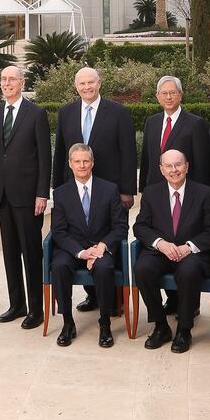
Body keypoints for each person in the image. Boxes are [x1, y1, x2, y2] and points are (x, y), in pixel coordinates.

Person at [52, 66, 137, 312]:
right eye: (82, 84)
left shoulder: (118, 112)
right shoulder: (66, 112)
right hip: (75, 189)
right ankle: (94, 295)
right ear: (75, 86)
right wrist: (58, 189)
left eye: (91, 82)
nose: (87, 87)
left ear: (99, 83)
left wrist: (127, 190)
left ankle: (114, 300)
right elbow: (60, 153)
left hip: (110, 192)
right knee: (81, 237)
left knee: (109, 242)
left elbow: (128, 152)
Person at [133, 149, 210, 353]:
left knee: (188, 272)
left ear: (187, 166)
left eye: (178, 165)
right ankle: (161, 326)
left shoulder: (204, 193)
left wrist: (188, 247)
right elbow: (140, 227)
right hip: (161, 251)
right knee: (142, 268)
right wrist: (160, 243)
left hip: (192, 253)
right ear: (161, 169)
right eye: (169, 166)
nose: (174, 170)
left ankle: (184, 328)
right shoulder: (151, 192)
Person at [0, 65, 50, 328]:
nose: (7, 83)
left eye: (12, 79)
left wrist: (41, 193)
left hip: (28, 198)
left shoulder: (36, 114)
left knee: (31, 253)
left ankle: (36, 310)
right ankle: (17, 305)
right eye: (3, 79)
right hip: (3, 198)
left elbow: (44, 157)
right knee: (10, 253)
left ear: (22, 83)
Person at [50, 143, 128, 348]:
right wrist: (81, 252)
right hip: (73, 249)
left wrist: (102, 246)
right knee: (58, 266)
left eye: (86, 161)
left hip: (100, 247)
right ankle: (67, 322)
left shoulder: (109, 189)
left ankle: (105, 323)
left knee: (104, 267)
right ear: (70, 164)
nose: (82, 165)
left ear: (93, 163)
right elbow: (58, 231)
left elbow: (120, 226)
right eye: (77, 161)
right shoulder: (60, 193)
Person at [139, 76, 210, 189]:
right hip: (155, 189)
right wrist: (144, 188)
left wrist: (201, 194)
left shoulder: (196, 124)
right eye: (164, 93)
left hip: (185, 191)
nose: (168, 97)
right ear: (157, 96)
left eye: (172, 93)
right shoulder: (151, 122)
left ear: (180, 95)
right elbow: (146, 159)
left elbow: (201, 165)